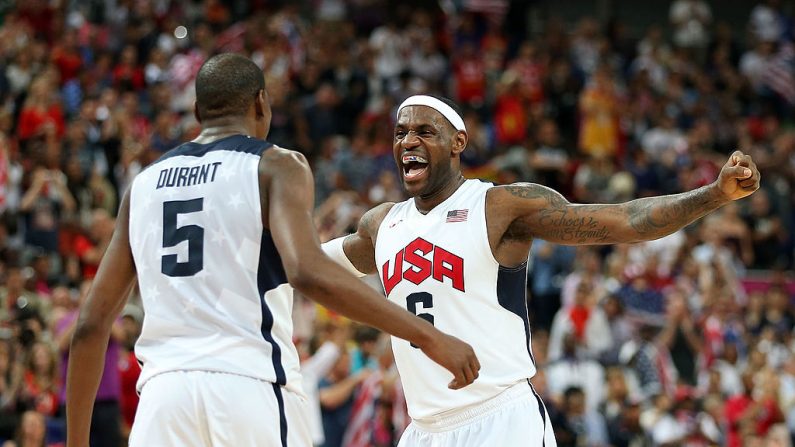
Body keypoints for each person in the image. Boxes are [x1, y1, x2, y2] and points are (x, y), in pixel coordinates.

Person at [65, 54, 480, 447]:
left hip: (162, 400)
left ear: (197, 112)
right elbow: (307, 271)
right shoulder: (276, 164)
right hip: (249, 387)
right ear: (261, 104)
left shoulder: (143, 185)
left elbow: (89, 325)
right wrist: (428, 336)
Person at [320, 94, 761, 446]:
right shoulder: (381, 225)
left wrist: (713, 195)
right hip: (422, 428)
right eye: (400, 133)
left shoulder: (499, 206)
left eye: (423, 131)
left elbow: (625, 220)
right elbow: (306, 264)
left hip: (500, 419)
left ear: (458, 142)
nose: (408, 141)